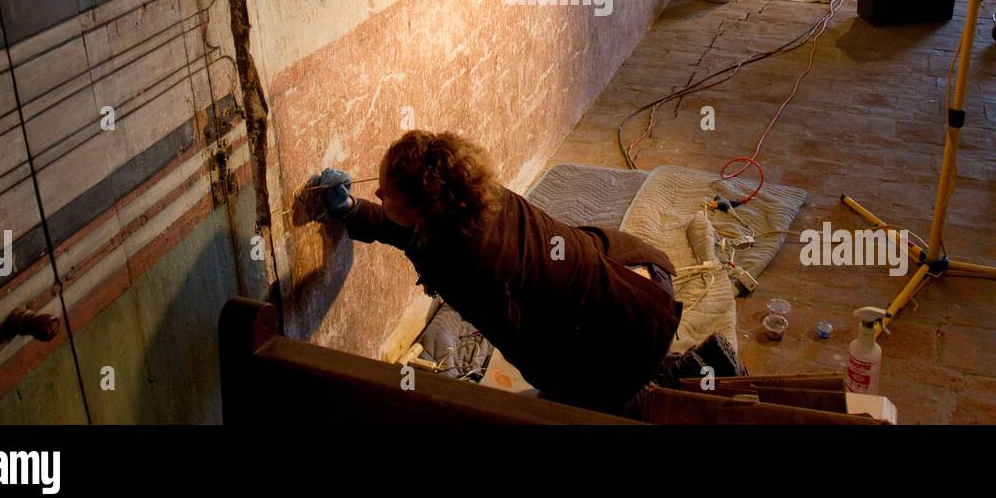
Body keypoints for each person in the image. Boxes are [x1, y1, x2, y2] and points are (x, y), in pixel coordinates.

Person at [312, 130, 730, 415]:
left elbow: (530, 346)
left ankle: (664, 375)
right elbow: (414, 233)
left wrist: (567, 396)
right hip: (642, 272)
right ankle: (662, 361)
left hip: (641, 323)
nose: (379, 193)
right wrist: (354, 211)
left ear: (423, 206)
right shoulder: (470, 192)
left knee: (566, 404)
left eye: (387, 191)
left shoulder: (464, 262)